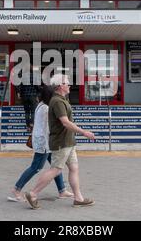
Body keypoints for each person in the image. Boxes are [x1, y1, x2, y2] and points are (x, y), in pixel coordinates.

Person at [25, 74, 96, 209]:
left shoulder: (62, 99)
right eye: (67, 83)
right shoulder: (57, 101)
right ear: (60, 86)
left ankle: (78, 198)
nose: (69, 85)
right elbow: (65, 122)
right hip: (61, 142)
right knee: (56, 169)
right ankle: (33, 193)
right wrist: (84, 132)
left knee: (74, 168)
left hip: (68, 141)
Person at [8, 86, 74, 202]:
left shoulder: (42, 105)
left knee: (56, 166)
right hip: (44, 143)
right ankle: (16, 190)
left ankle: (62, 190)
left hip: (45, 141)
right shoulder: (46, 108)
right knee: (36, 167)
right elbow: (52, 126)